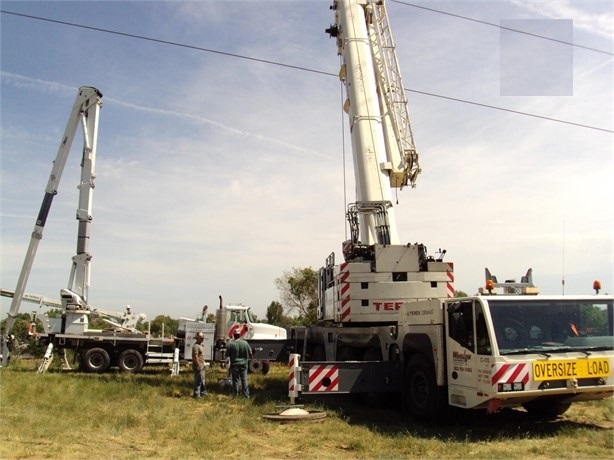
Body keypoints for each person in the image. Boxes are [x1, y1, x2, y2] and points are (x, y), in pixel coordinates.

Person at [226, 330, 253, 398]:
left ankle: (235, 395)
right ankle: (246, 395)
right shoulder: (245, 343)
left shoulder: (231, 344)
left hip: (234, 365)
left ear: (234, 335)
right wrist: (250, 358)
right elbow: (251, 353)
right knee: (244, 379)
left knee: (235, 380)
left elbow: (227, 355)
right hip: (244, 365)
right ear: (240, 335)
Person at [192, 331, 207, 398]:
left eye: (203, 338)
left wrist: (204, 362)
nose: (202, 339)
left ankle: (203, 392)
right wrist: (198, 365)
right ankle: (196, 394)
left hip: (202, 365)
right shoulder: (196, 346)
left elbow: (201, 356)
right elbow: (195, 356)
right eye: (201, 338)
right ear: (197, 338)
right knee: (198, 380)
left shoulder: (201, 345)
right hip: (198, 365)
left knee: (202, 379)